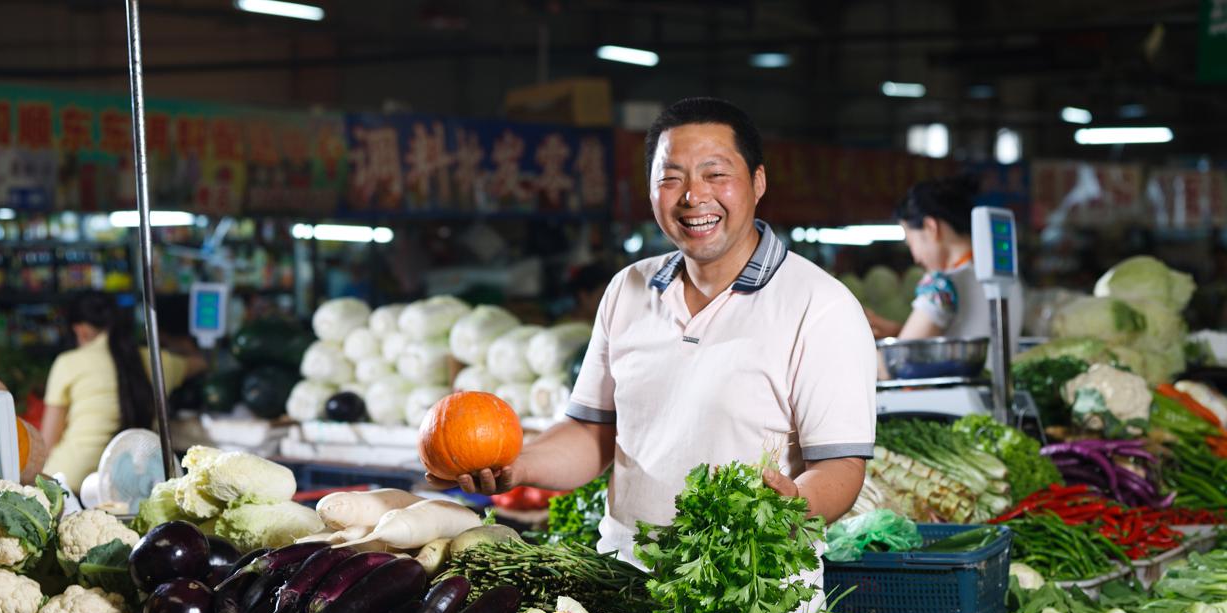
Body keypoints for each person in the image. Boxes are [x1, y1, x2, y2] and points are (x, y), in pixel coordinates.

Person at [431, 97, 877, 561]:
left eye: (716, 174)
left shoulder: (820, 305)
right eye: (671, 178)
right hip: (625, 581)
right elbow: (592, 433)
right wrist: (516, 468)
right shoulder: (629, 288)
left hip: (749, 596)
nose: (693, 195)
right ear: (650, 191)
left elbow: (841, 464)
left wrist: (794, 507)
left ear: (757, 181)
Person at [41, 291, 203, 494]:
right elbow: (201, 362)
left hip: (70, 481)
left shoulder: (68, 362)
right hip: (135, 486)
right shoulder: (157, 361)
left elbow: (46, 443)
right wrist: (170, 340)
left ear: (80, 331)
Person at [865, 174, 1024, 344]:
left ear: (930, 227)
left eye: (910, 242)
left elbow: (899, 360)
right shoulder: (1011, 280)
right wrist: (897, 330)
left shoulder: (941, 287)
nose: (915, 258)